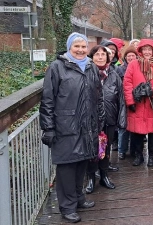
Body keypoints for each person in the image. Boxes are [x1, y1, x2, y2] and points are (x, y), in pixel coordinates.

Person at [39, 32, 104, 223]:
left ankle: (79, 198)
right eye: (77, 46)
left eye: (84, 46)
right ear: (69, 48)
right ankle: (67, 207)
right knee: (67, 167)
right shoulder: (57, 67)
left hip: (88, 125)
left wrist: (99, 119)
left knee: (82, 162)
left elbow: (98, 95)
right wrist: (48, 127)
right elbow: (48, 99)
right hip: (65, 125)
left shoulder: (91, 67)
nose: (81, 50)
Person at [85, 45, 126, 193]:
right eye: (97, 54)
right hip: (91, 119)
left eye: (103, 54)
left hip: (109, 117)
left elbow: (121, 98)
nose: (100, 57)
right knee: (92, 147)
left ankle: (104, 175)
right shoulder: (86, 73)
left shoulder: (114, 75)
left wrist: (122, 119)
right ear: (92, 57)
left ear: (108, 57)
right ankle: (90, 177)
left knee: (106, 148)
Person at [123, 39, 153, 167]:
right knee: (137, 133)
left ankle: (151, 156)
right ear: (140, 51)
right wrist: (131, 101)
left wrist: (152, 91)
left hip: (152, 105)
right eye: (144, 49)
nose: (147, 52)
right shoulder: (133, 65)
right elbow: (127, 83)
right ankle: (138, 155)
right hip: (138, 104)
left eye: (149, 49)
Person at [116, 45, 137, 160]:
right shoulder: (120, 69)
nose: (131, 58)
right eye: (129, 56)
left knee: (134, 127)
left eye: (133, 55)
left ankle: (133, 150)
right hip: (123, 100)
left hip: (136, 100)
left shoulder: (139, 68)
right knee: (123, 127)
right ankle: (122, 150)